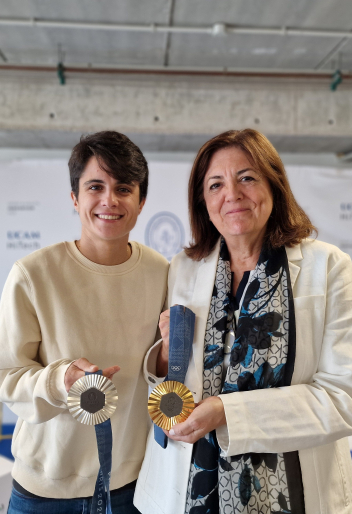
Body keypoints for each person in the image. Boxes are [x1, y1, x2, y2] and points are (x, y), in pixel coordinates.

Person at [134, 129, 352, 514]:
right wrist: (167, 354)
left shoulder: (330, 267)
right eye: (215, 184)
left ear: (274, 184)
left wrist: (226, 412)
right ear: (203, 200)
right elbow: (172, 378)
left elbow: (342, 397)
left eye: (247, 178)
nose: (231, 194)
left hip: (296, 490)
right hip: (186, 490)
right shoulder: (184, 269)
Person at [0, 131, 168, 514]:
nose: (110, 200)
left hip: (131, 485)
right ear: (75, 198)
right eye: (96, 186)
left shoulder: (162, 273)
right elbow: (6, 375)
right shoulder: (32, 275)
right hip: (45, 489)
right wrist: (61, 381)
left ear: (141, 202)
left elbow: (158, 372)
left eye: (124, 188)